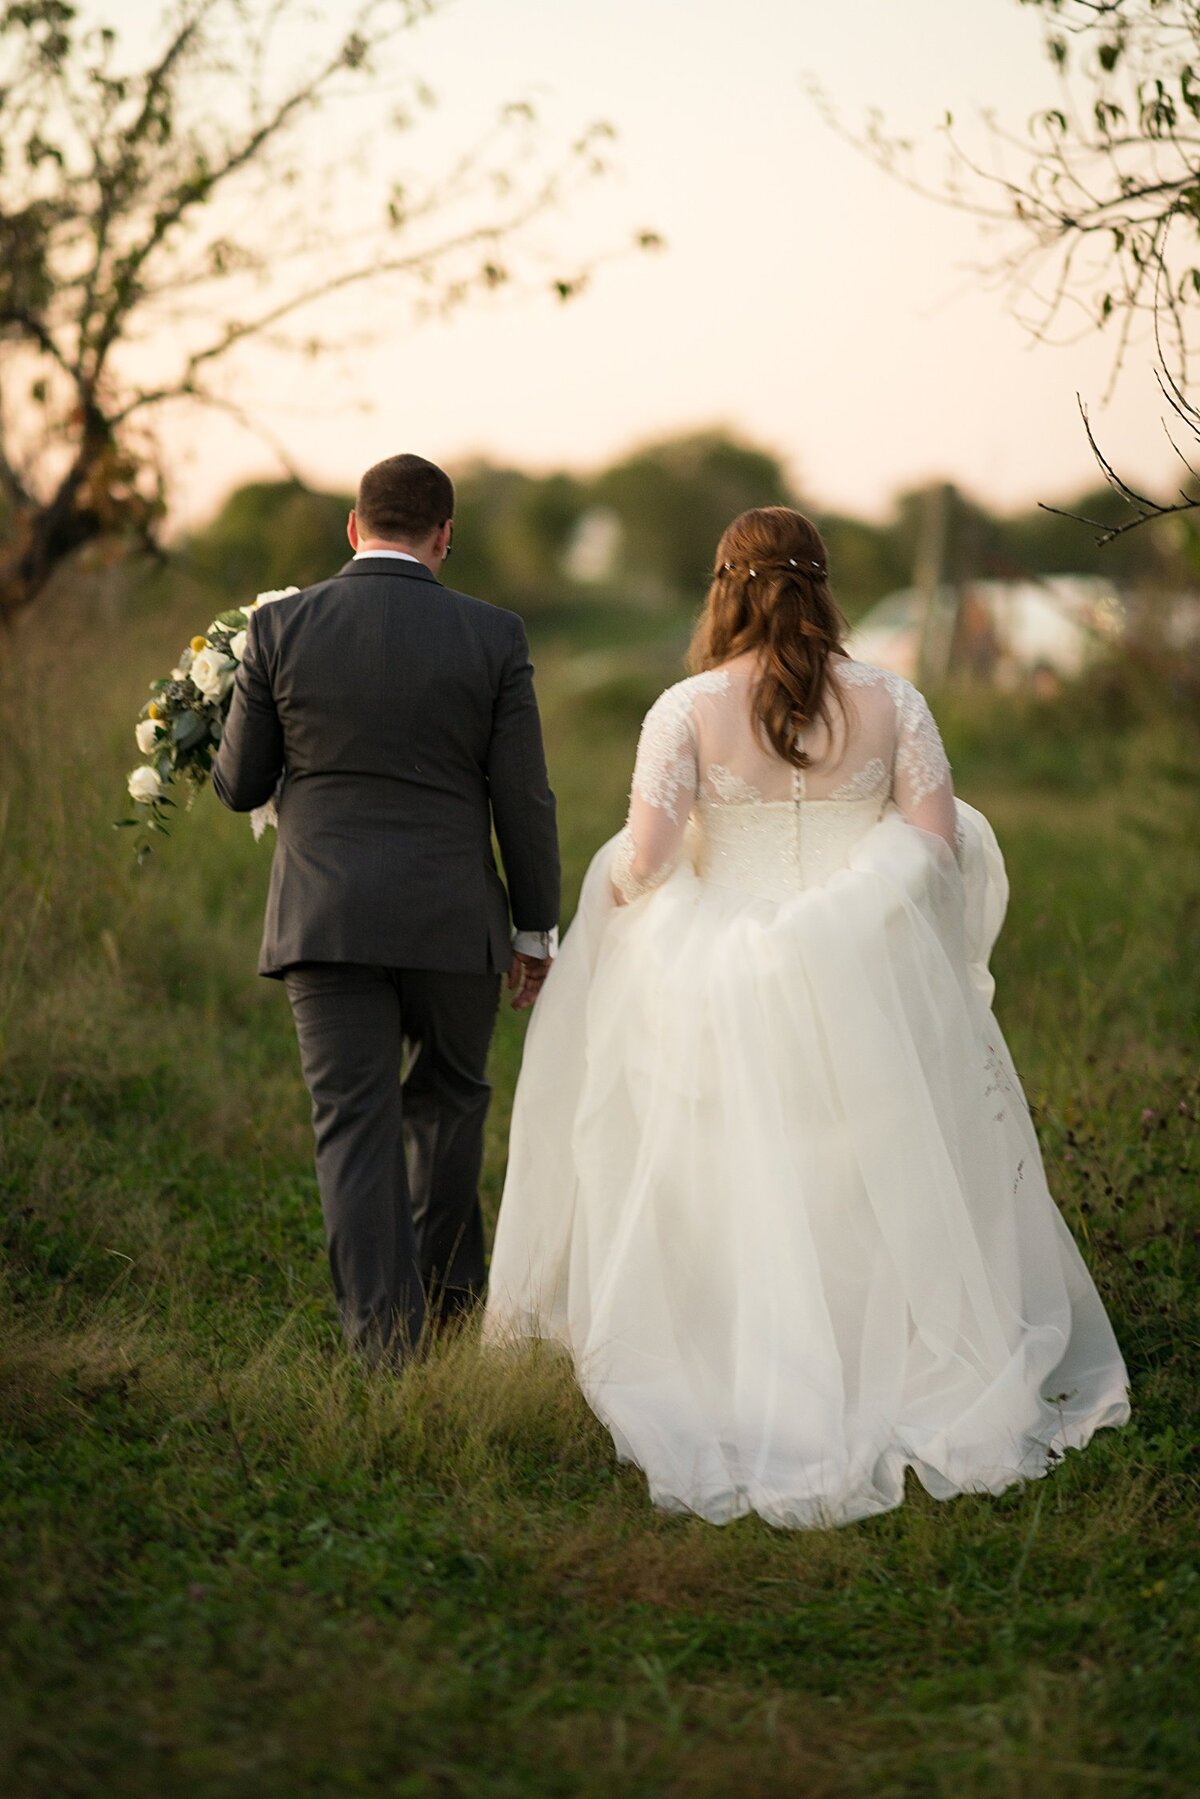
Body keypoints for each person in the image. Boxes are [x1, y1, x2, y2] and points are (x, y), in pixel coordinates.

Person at [484, 505, 1129, 1529]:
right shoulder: (895, 700)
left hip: (716, 974)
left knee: (725, 1163)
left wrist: (612, 897)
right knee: (872, 1162)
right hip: (862, 970)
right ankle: (893, 1357)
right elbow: (935, 844)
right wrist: (846, 914)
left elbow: (647, 861)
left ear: (723, 589)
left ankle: (742, 1363)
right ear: (823, 587)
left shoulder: (685, 706)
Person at [213, 452, 560, 1363]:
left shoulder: (279, 626)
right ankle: (451, 1313)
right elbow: (523, 798)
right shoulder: (494, 635)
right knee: (449, 1103)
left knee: (354, 1121)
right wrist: (533, 927)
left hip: (325, 919)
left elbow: (241, 783)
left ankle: (384, 1343)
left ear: (353, 527)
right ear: (446, 535)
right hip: (454, 921)